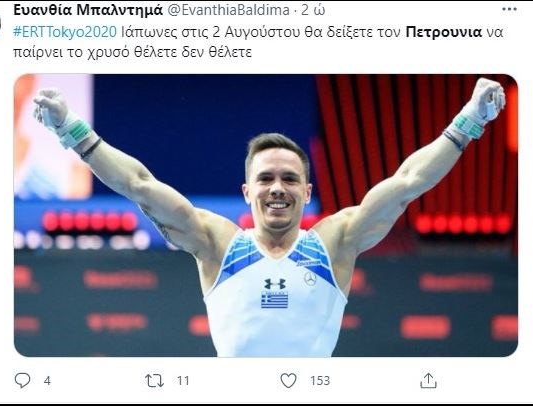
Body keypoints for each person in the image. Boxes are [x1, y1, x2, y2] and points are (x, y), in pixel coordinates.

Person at [33, 78, 505, 357]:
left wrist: (469, 120)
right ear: (247, 192)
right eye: (265, 179)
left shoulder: (334, 242)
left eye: (289, 178)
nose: (277, 188)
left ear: (307, 192)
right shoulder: (218, 244)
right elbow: (140, 185)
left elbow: (407, 183)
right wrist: (71, 129)